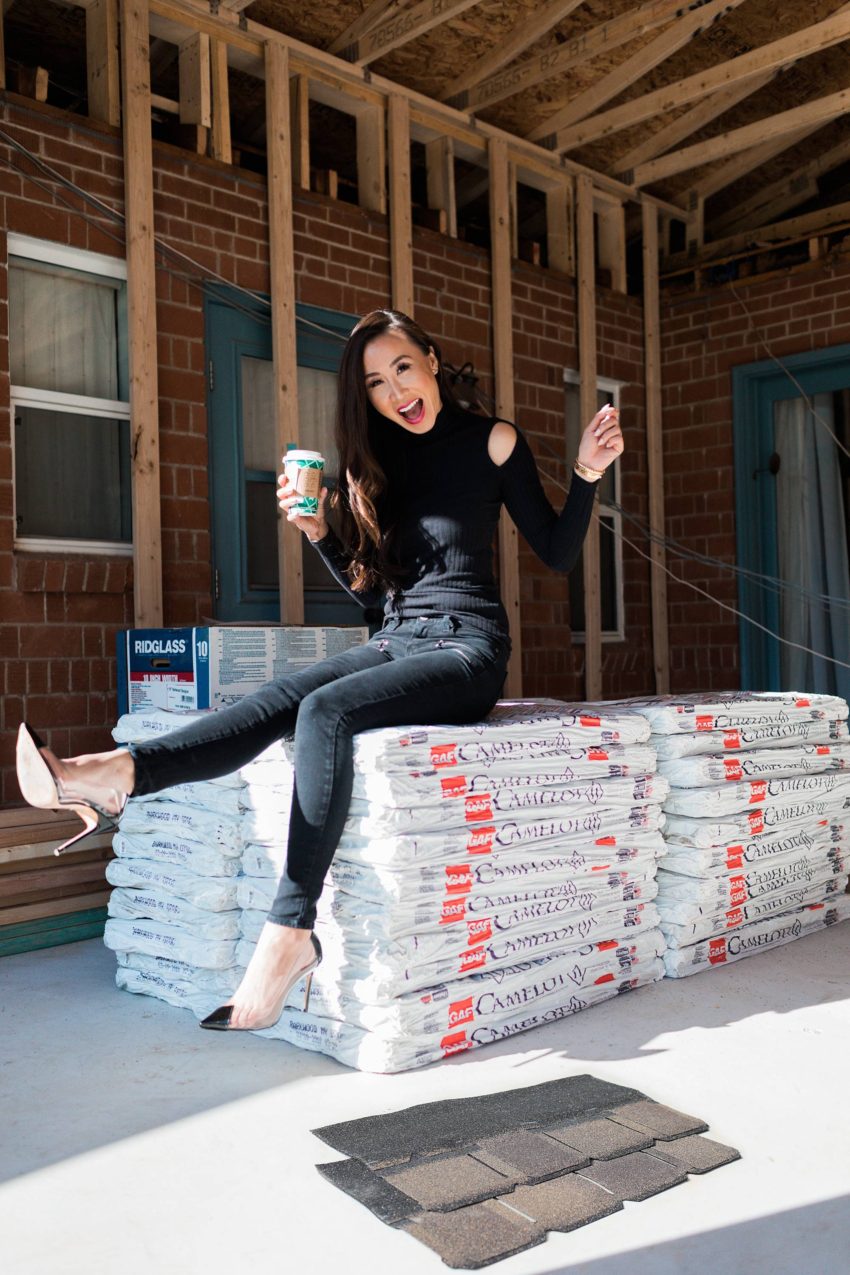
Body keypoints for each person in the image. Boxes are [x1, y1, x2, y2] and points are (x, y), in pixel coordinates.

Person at [16, 309, 623, 1034]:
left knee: (322, 714)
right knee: (281, 696)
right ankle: (116, 775)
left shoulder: (492, 440)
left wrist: (586, 473)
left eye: (402, 367)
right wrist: (319, 533)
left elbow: (555, 552)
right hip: (400, 638)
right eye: (375, 383)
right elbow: (375, 595)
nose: (396, 390)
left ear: (430, 359)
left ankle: (289, 933)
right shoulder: (382, 463)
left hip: (469, 650)